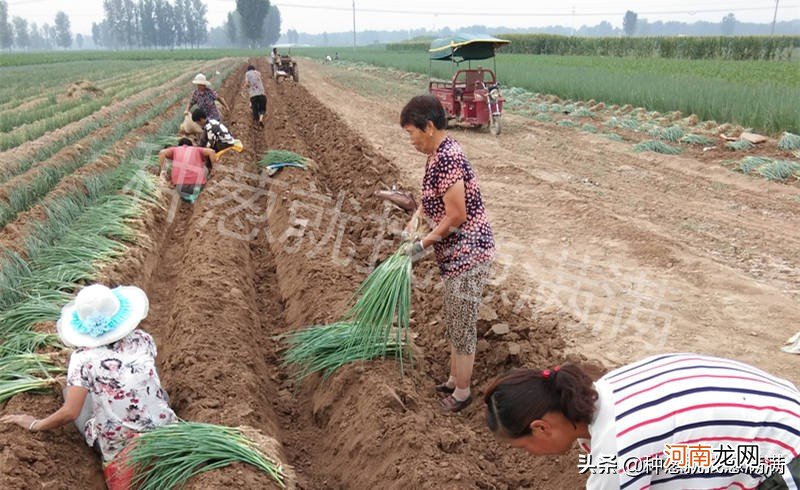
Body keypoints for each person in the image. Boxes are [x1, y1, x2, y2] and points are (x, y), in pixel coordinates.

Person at [484, 353, 800, 489]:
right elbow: (676, 460)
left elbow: (619, 466)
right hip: (774, 420)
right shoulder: (603, 393)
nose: (531, 456)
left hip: (788, 455)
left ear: (541, 427)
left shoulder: (617, 445)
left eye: (526, 448)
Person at [1, 284, 177, 490]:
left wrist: (34, 424)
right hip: (165, 426)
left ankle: (113, 453)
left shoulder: (82, 359)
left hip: (121, 442)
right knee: (153, 391)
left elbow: (70, 413)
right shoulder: (142, 339)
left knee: (72, 395)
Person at [400, 95, 495, 412]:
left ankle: (463, 393)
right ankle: (455, 380)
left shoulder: (448, 158)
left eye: (411, 132)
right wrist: (415, 221)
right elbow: (431, 201)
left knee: (463, 322)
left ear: (428, 127)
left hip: (469, 253)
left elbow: (456, 215)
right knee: (455, 319)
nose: (410, 140)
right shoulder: (435, 155)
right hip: (454, 256)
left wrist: (422, 244)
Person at [158, 138, 218, 203]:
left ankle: (187, 199)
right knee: (205, 169)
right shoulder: (196, 149)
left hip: (180, 187)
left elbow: (162, 152)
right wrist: (214, 170)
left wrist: (163, 171)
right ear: (191, 145)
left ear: (179, 146)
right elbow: (211, 152)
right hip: (198, 187)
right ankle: (195, 198)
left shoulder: (175, 150)